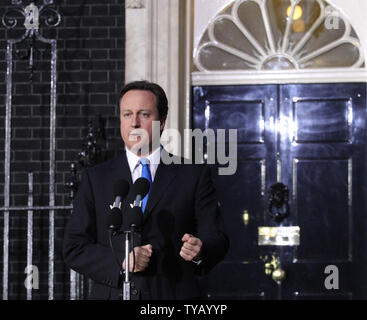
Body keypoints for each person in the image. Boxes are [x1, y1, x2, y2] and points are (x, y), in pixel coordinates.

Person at [63, 80, 229, 300]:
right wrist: (122, 261)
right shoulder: (96, 178)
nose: (134, 123)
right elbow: (74, 247)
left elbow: (217, 237)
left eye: (144, 114)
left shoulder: (193, 174)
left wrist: (200, 250)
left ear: (161, 122)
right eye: (127, 114)